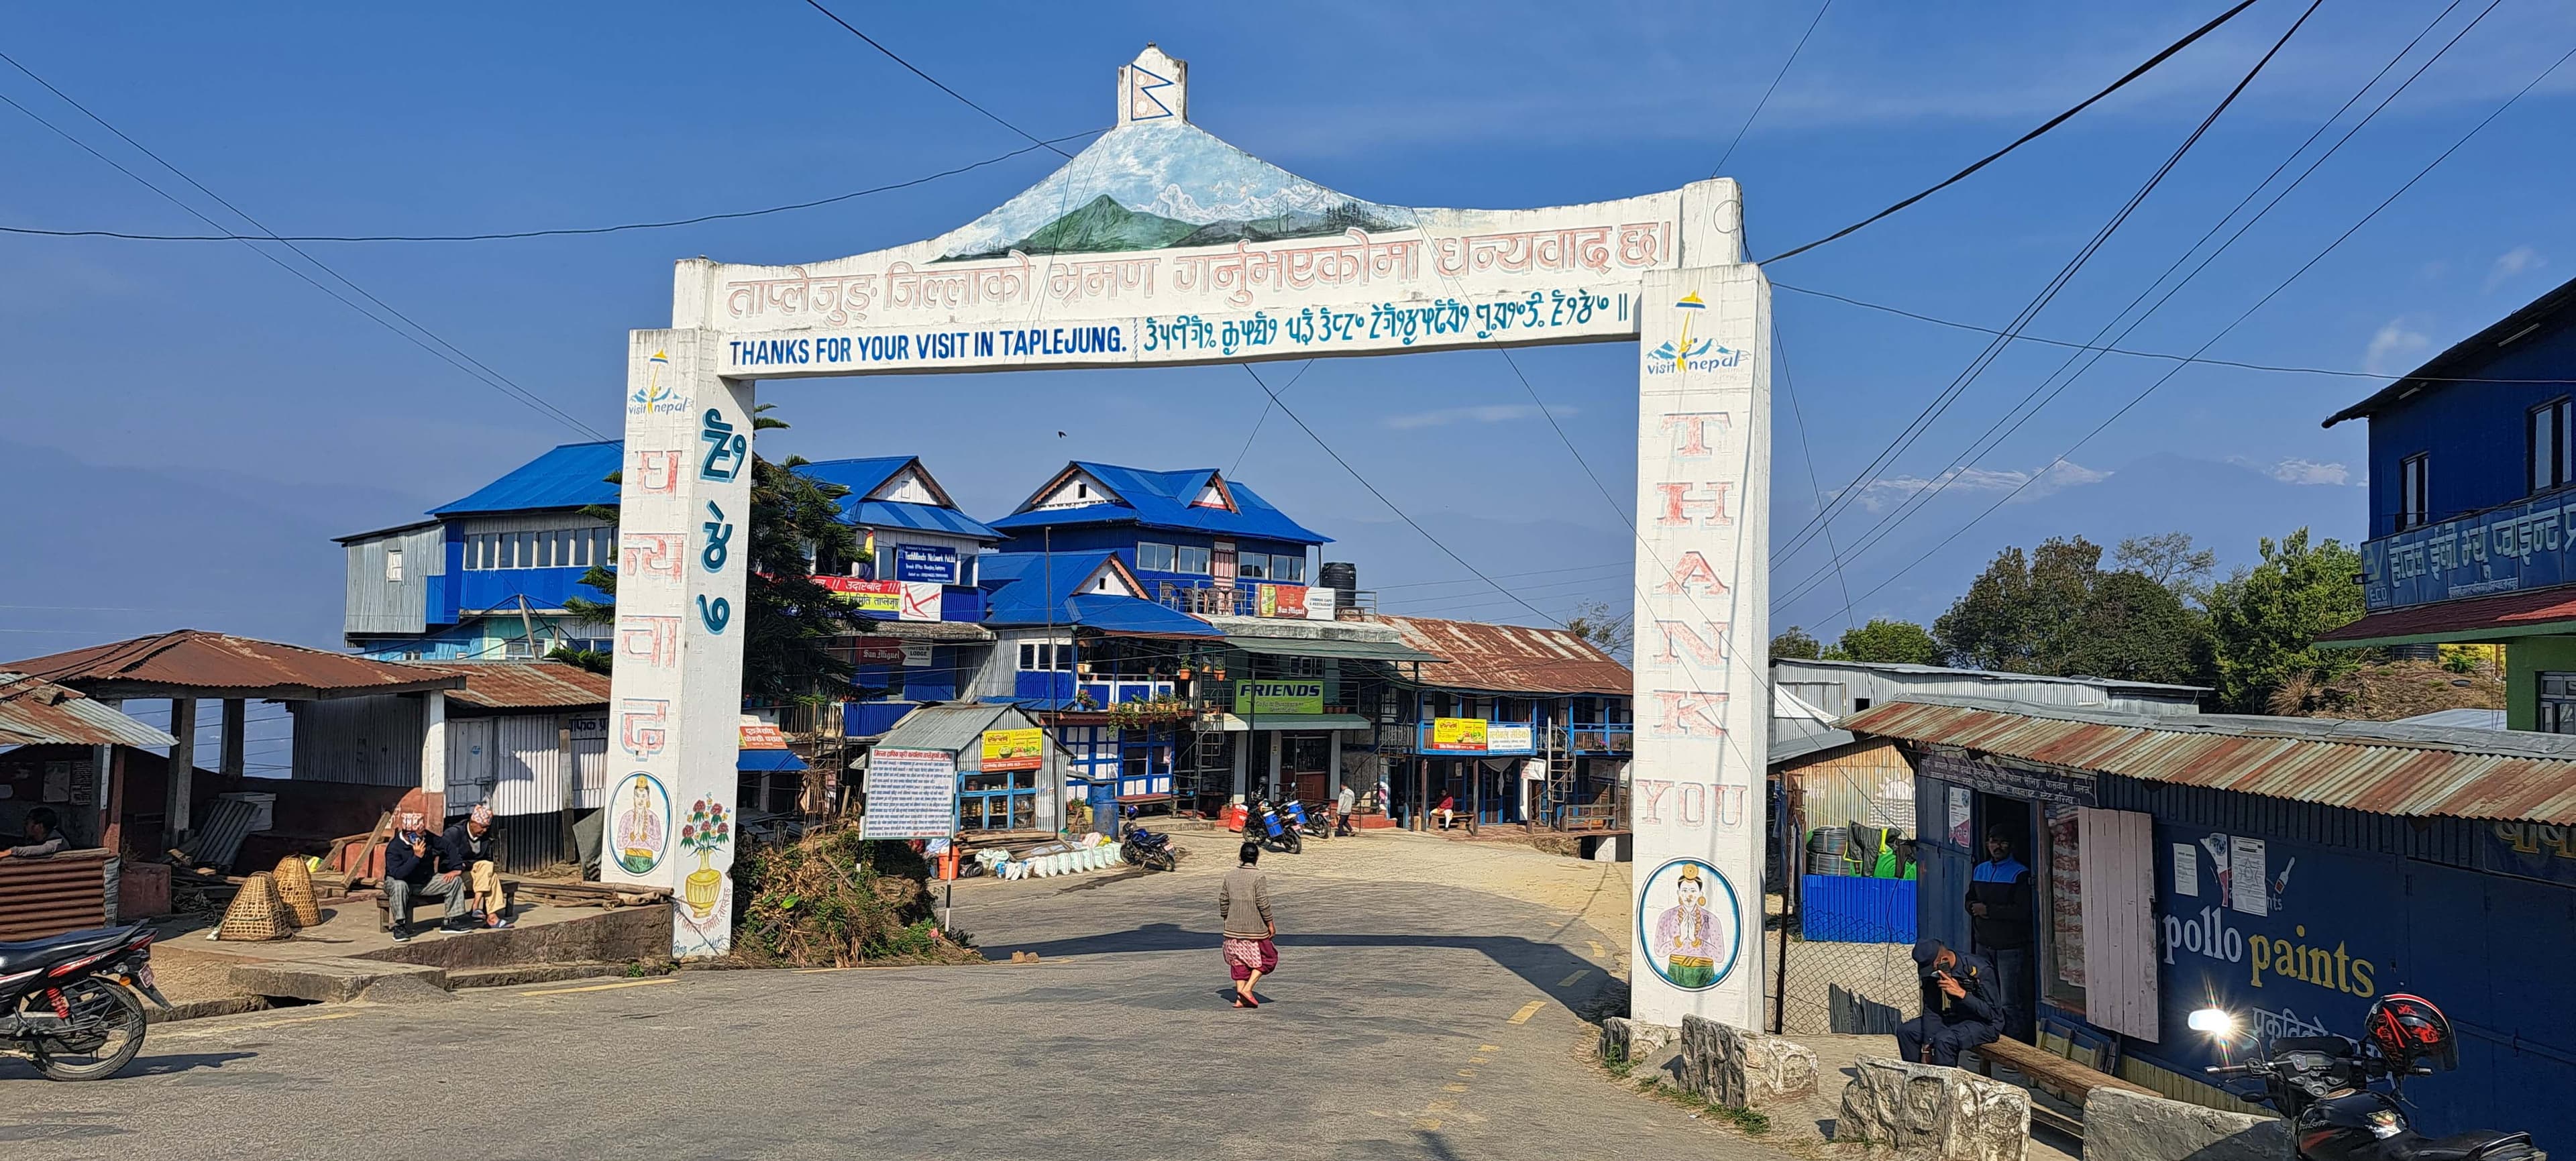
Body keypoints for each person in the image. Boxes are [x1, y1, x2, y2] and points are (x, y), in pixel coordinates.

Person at [1966, 826, 2033, 1040]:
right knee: (1985, 996)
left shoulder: (2020, 873)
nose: (1998, 846)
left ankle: (2015, 1048)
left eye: (2003, 842)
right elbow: (1969, 900)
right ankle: (1990, 1040)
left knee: (2010, 1002)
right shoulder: (1980, 870)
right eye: (1993, 841)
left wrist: (1989, 911)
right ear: (1987, 844)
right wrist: (1973, 907)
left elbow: (2024, 911)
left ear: (2011, 846)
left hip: (2010, 948)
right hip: (1984, 945)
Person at [1894, 939, 2004, 1066]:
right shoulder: (1933, 972)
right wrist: (1927, 1047)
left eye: (1933, 968)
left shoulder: (1979, 969)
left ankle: (1944, 1084)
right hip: (1956, 1017)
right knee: (1907, 1031)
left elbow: (1992, 1013)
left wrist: (1962, 994)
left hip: (1985, 1024)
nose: (1931, 973)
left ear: (1944, 961)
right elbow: (1932, 1008)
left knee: (1945, 1040)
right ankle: (1916, 1079)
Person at [383, 812, 466, 941]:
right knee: (400, 885)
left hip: (424, 881)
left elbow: (448, 846)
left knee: (454, 881)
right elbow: (398, 874)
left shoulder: (426, 837)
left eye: (423, 832)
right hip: (400, 882)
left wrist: (457, 868)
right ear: (408, 833)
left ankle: (451, 921)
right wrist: (416, 857)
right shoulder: (394, 847)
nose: (424, 835)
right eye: (420, 833)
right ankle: (399, 926)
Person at [1218, 840, 1277, 1008]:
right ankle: (1248, 989)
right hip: (1255, 929)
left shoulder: (1229, 876)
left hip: (1232, 928)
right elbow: (1263, 902)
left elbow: (1223, 899)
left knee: (1239, 963)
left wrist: (1226, 917)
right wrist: (1270, 923)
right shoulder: (1258, 876)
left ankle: (1240, 999)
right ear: (1257, 857)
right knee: (1269, 958)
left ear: (1240, 857)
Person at [441, 804, 511, 930]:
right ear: (473, 822)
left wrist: (472, 865)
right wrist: (466, 865)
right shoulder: (454, 834)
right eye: (482, 827)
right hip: (454, 874)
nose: (484, 831)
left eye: (487, 827)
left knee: (489, 871)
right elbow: (444, 860)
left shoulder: (485, 837)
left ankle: (478, 908)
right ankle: (490, 916)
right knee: (489, 872)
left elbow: (488, 859)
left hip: (477, 875)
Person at [0, 807, 67, 860]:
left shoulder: (57, 842)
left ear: (39, 826)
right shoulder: (34, 840)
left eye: (27, 823)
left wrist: (9, 852)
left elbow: (40, 850)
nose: (25, 826)